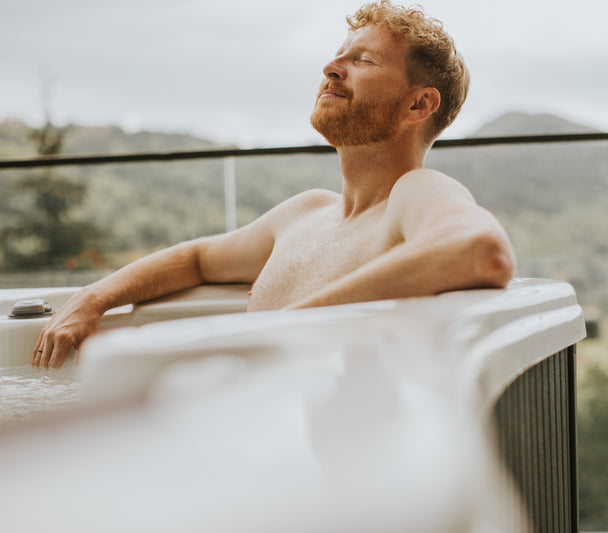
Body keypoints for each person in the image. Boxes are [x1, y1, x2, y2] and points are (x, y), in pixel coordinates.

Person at [32, 0, 515, 369]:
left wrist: (276, 335)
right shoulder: (304, 213)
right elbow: (197, 259)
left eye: (364, 61)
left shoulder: (414, 194)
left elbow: (481, 251)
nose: (331, 68)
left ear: (418, 106)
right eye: (337, 57)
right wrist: (91, 298)